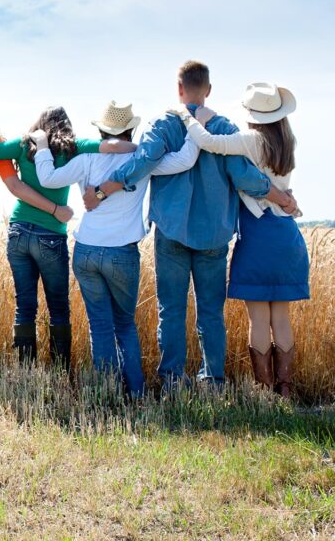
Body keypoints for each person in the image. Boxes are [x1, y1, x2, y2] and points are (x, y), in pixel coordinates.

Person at [90, 61, 298, 389]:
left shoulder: (162, 124)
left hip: (170, 231)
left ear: (179, 88)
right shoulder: (224, 127)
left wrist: (104, 189)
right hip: (214, 233)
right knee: (211, 313)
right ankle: (213, 381)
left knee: (171, 310)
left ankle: (172, 380)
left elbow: (142, 162)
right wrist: (282, 197)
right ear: (209, 90)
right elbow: (245, 177)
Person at [0, 106, 134, 369]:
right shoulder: (74, 147)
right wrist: (142, 149)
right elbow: (115, 146)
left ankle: (26, 370)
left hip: (18, 232)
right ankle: (60, 370)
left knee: (24, 306)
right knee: (58, 306)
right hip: (51, 234)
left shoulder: (22, 144)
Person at [32, 102, 200, 396]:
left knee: (100, 325)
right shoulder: (141, 159)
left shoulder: (87, 158)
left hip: (86, 250)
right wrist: (193, 123)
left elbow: (48, 178)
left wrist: (43, 146)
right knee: (124, 325)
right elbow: (186, 159)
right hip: (122, 253)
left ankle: (106, 395)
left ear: (101, 130)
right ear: (130, 130)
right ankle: (135, 394)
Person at [169, 83, 308, 396]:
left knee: (258, 318)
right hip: (287, 235)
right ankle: (285, 389)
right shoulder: (287, 141)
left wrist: (190, 117)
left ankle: (265, 391)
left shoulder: (252, 140)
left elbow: (209, 142)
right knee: (281, 317)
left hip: (258, 235)